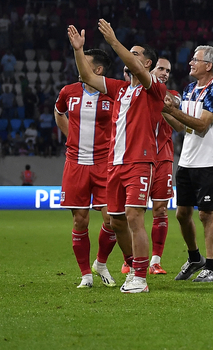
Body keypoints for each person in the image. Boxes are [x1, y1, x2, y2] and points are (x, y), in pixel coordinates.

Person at [68, 21, 167, 294]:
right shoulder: (121, 89)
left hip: (139, 161)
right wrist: (78, 50)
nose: (131, 58)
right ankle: (133, 266)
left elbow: (135, 69)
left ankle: (141, 278)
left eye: (136, 54)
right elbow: (87, 77)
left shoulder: (153, 86)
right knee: (117, 220)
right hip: (114, 164)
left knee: (135, 217)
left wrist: (113, 41)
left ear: (147, 64)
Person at [161, 45, 213, 283]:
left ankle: (210, 267)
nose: (190, 62)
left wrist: (171, 109)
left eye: (195, 59)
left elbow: (201, 125)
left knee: (205, 214)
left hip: (209, 161)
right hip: (187, 160)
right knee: (182, 214)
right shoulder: (190, 89)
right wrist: (162, 109)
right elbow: (181, 126)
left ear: (208, 66)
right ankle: (194, 258)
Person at [54, 48, 119, 288]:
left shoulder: (112, 94)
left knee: (111, 220)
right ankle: (86, 275)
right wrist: (71, 136)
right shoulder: (68, 92)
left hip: (104, 165)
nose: (78, 64)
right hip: (75, 164)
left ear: (98, 70)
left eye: (84, 61)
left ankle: (100, 263)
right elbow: (59, 112)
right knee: (80, 220)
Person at [148, 58, 179, 275]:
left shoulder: (173, 95)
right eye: (161, 69)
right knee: (134, 212)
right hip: (138, 159)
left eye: (168, 70)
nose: (165, 73)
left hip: (164, 158)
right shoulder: (138, 92)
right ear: (150, 69)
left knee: (160, 210)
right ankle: (128, 260)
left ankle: (155, 261)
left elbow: (178, 122)